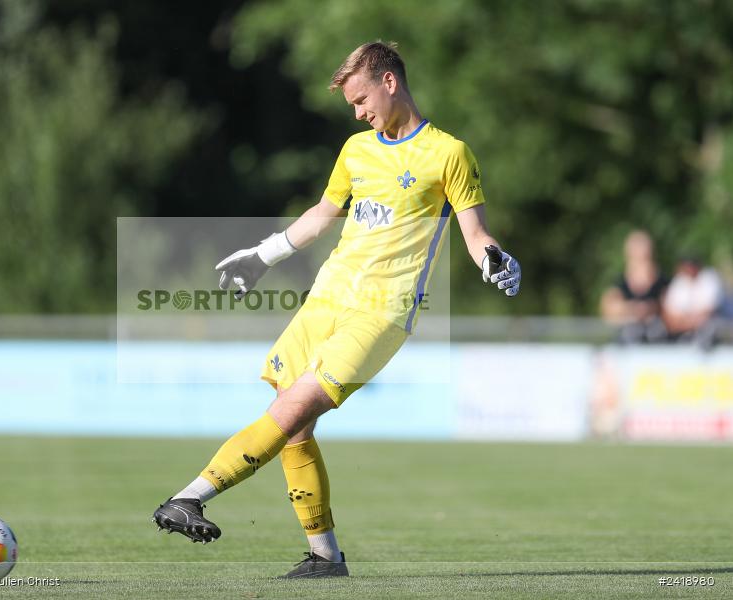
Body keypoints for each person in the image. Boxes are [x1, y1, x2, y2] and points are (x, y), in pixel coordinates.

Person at [151, 41, 521, 578]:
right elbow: (324, 214)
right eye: (352, 104)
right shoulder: (356, 150)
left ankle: (191, 496)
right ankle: (325, 558)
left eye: (361, 99)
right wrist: (262, 257)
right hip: (325, 298)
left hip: (381, 313)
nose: (357, 112)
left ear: (389, 82)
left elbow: (475, 232)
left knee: (291, 412)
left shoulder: (449, 154)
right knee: (293, 428)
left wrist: (493, 260)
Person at [599, 230, 668, 344]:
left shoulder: (663, 283)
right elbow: (608, 312)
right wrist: (633, 309)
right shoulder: (619, 284)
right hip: (627, 345)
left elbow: (673, 311)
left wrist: (652, 308)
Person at [662, 255, 725, 349]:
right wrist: (687, 323)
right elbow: (670, 315)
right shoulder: (678, 282)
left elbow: (709, 312)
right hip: (683, 331)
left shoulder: (709, 279)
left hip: (707, 329)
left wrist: (685, 322)